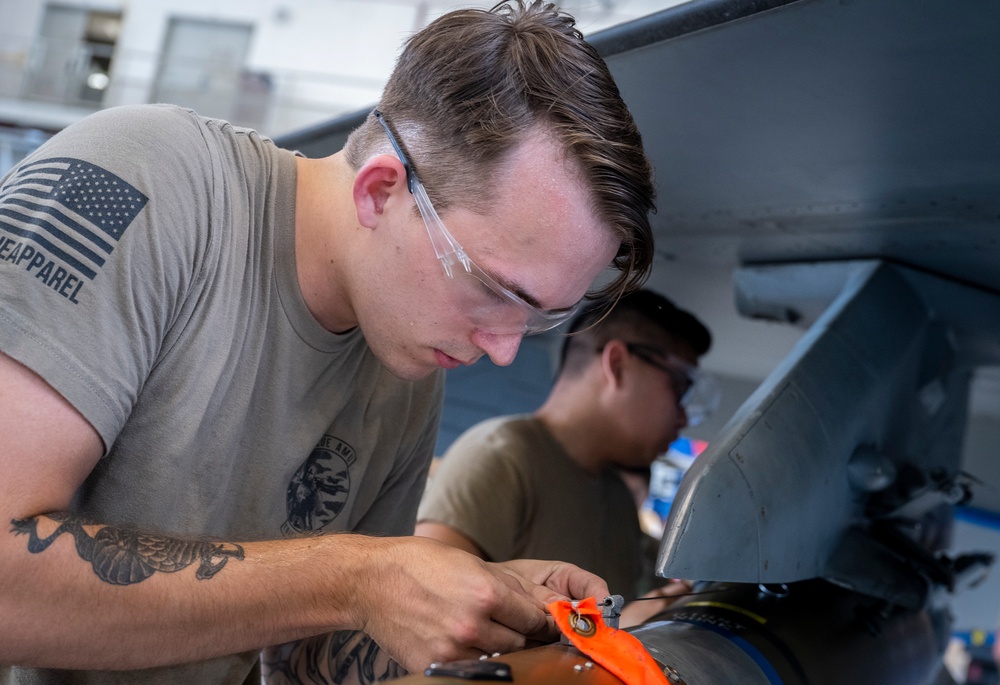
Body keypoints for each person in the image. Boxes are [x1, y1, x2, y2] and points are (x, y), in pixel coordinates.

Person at [0, 1, 657, 683]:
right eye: (495, 288)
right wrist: (354, 578)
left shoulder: (406, 370)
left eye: (540, 315)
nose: (503, 350)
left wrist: (477, 607)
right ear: (379, 191)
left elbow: (305, 651)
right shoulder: (135, 182)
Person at [415, 289, 717, 628]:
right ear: (617, 364)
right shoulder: (502, 455)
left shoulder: (616, 495)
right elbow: (428, 611)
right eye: (677, 388)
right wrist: (619, 633)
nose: (681, 417)